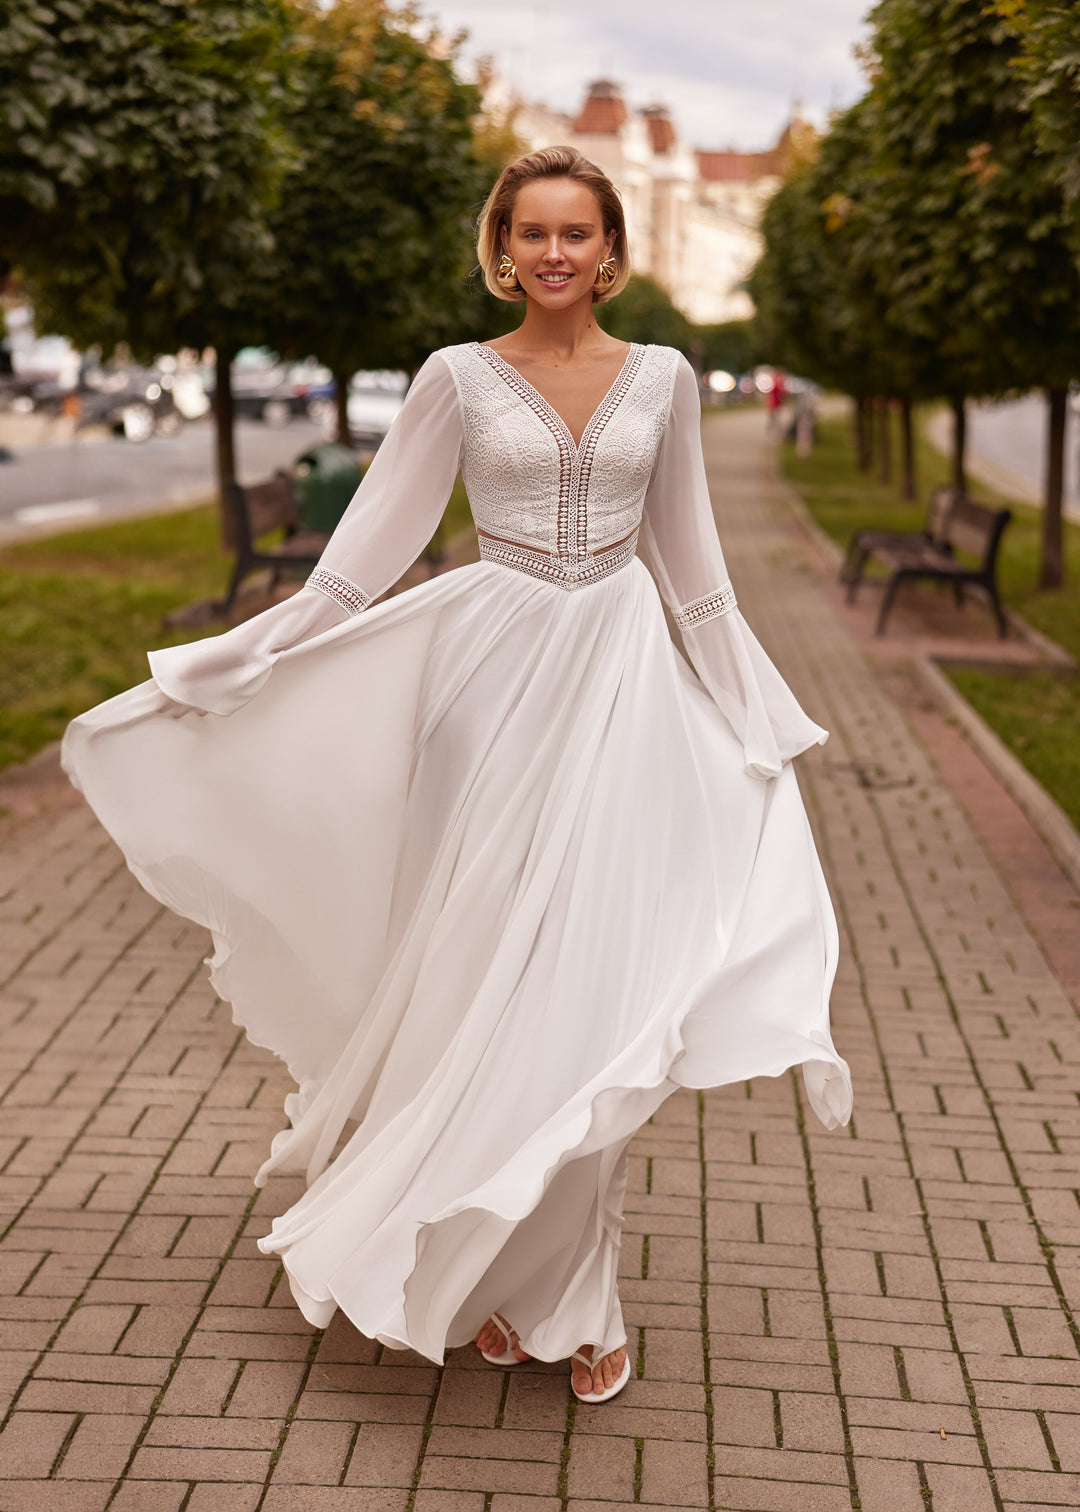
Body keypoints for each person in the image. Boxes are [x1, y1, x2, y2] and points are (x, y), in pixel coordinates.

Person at [62, 146, 851, 1407]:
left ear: (610, 251)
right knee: (481, 989)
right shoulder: (454, 378)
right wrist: (239, 657)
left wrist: (760, 719)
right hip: (484, 702)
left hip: (621, 696)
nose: (552, 253)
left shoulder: (666, 378)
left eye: (575, 233)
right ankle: (487, 1282)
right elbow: (361, 560)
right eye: (529, 232)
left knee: (593, 993)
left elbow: (695, 568)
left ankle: (574, 1295)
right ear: (500, 248)